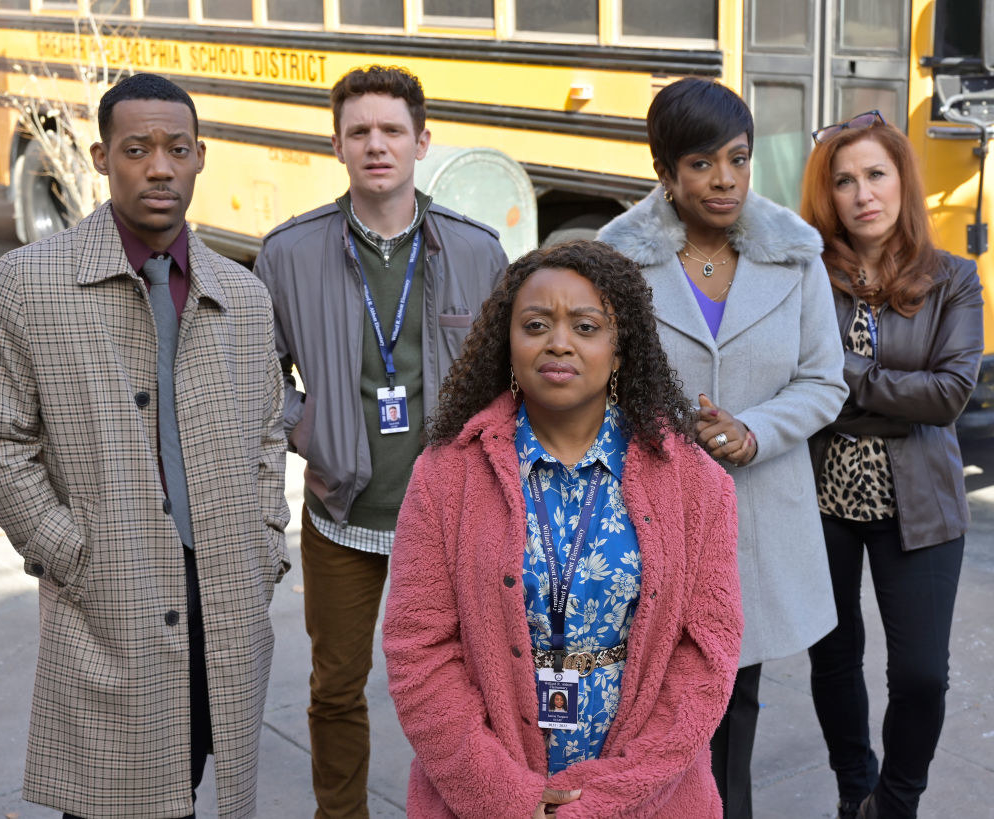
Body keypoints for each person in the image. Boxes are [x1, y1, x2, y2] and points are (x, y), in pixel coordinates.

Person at [0, 73, 290, 818]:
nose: (159, 167)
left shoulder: (240, 295)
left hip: (224, 591)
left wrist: (267, 542)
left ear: (200, 157)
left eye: (177, 149)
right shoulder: (28, 283)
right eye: (137, 148)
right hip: (107, 597)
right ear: (101, 155)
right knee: (110, 799)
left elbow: (269, 432)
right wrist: (70, 551)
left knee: (195, 776)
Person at [382, 240, 743, 817]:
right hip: (482, 797)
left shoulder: (694, 484)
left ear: (620, 350)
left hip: (648, 796)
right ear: (508, 342)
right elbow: (418, 651)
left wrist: (608, 797)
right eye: (536, 324)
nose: (559, 341)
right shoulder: (446, 475)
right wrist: (507, 796)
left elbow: (707, 658)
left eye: (585, 325)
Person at [253, 64, 506, 817]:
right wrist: (311, 429)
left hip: (455, 513)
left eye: (392, 129)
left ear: (422, 141)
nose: (376, 144)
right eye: (358, 131)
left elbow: (507, 378)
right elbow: (258, 377)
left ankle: (474, 803)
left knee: (477, 682)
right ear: (336, 145)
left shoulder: (476, 252)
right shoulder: (287, 255)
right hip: (343, 511)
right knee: (335, 686)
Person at [598, 78, 848, 818]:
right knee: (645, 704)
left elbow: (823, 381)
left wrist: (752, 431)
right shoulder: (614, 263)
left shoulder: (796, 255)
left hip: (757, 523)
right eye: (702, 163)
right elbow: (592, 381)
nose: (725, 179)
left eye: (737, 159)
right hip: (647, 518)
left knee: (735, 700)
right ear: (665, 171)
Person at [800, 112, 983, 819]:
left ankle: (896, 802)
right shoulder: (810, 276)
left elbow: (946, 396)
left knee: (920, 677)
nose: (862, 193)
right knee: (834, 659)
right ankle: (856, 788)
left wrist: (841, 374)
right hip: (820, 499)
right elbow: (795, 384)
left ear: (902, 182)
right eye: (843, 181)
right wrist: (882, 391)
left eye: (876, 174)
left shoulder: (955, 280)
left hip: (925, 500)